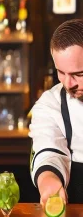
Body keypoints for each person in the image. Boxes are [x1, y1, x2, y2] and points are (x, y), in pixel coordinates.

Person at [30, 18, 83, 205]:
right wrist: (49, 183)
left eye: (79, 74)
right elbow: (49, 152)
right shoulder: (50, 104)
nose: (69, 84)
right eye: (61, 72)